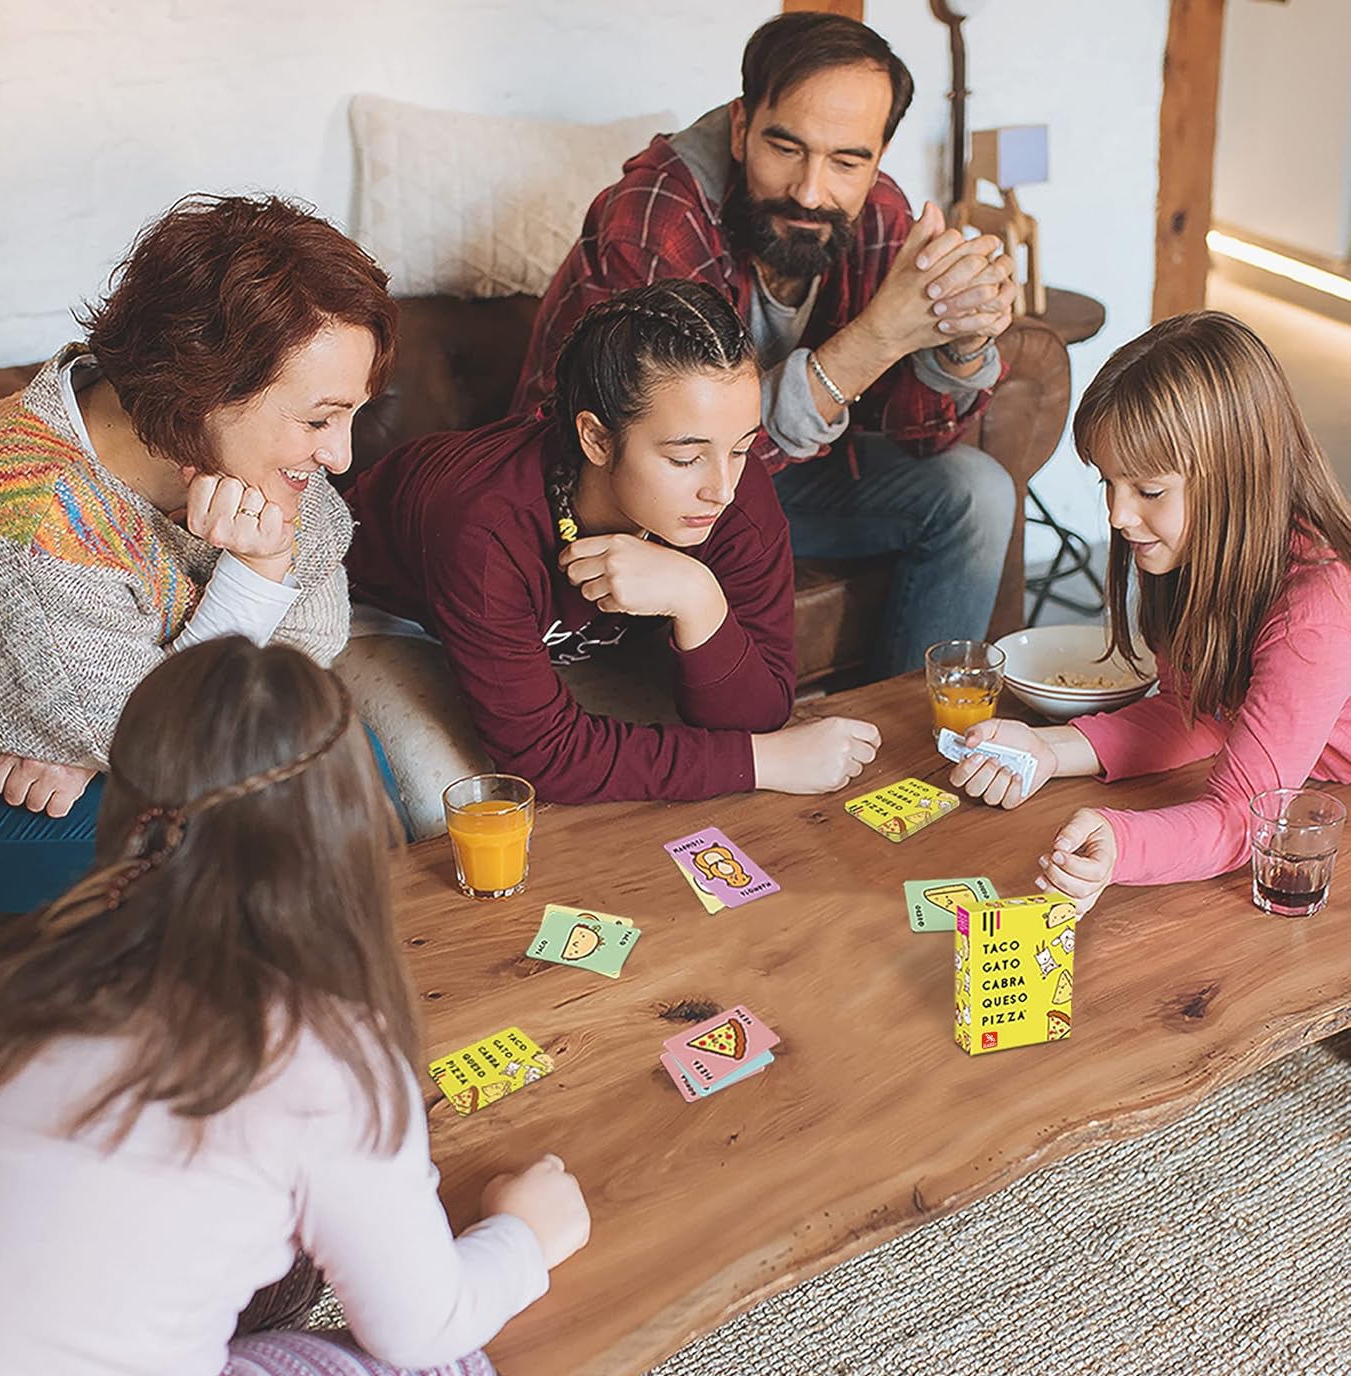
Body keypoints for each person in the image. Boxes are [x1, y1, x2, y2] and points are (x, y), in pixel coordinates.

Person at [0, 636, 591, 1376]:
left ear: (125, 804)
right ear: (349, 829)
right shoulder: (323, 1055)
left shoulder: (18, 985)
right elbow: (422, 1328)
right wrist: (524, 1237)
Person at [0, 193, 404, 912]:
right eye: (320, 419)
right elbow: (166, 745)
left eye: (353, 412)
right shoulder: (34, 520)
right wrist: (257, 573)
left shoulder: (247, 455)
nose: (340, 453)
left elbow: (312, 644)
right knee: (262, 830)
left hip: (102, 718)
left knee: (352, 761)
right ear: (204, 385)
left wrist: (89, 743)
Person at [512, 11, 1020, 678]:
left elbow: (920, 437)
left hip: (768, 473)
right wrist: (879, 336)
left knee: (975, 490)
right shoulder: (659, 208)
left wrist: (961, 342)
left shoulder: (875, 210)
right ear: (741, 126)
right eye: (786, 148)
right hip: (630, 486)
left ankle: (912, 734)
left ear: (877, 158)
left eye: (847, 160)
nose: (811, 191)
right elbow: (673, 444)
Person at [342, 279, 881, 826]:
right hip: (386, 614)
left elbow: (760, 710)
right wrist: (761, 762)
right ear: (597, 440)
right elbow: (544, 757)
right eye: (684, 458)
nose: (721, 488)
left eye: (741, 447)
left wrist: (699, 599)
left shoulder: (734, 492)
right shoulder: (483, 526)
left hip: (562, 643)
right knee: (475, 812)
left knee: (690, 797)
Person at [949, 311, 1351, 913]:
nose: (1117, 515)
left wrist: (1122, 844)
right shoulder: (1186, 547)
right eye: (1109, 483)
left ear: (1235, 478)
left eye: (1148, 490)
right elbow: (1198, 712)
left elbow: (1246, 822)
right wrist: (1049, 749)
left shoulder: (1315, 611)